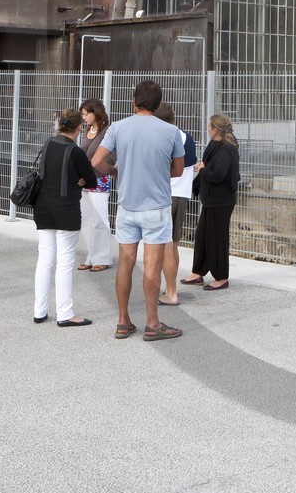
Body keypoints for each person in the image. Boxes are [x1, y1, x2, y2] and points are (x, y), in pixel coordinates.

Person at [91, 79, 184, 342]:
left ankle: (123, 321)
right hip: (156, 207)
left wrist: (115, 171)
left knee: (126, 264)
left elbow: (96, 161)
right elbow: (177, 170)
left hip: (127, 207)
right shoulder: (170, 131)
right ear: (158, 104)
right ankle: (152, 323)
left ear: (134, 101)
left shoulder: (118, 128)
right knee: (152, 266)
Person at [32, 108, 99, 327]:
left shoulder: (48, 144)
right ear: (80, 128)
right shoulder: (76, 151)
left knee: (45, 260)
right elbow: (91, 181)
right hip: (66, 210)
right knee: (65, 262)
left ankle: (39, 311)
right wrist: (79, 179)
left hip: (42, 207)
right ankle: (65, 313)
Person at [183, 112, 240, 291]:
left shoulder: (227, 149)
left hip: (221, 201)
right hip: (211, 200)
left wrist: (202, 170)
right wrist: (203, 170)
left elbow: (218, 175)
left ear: (215, 129)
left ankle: (221, 277)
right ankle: (198, 272)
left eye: (209, 126)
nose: (207, 129)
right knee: (202, 236)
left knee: (217, 239)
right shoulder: (215, 145)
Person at [152, 102, 200, 306]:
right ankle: (171, 287)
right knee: (174, 244)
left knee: (163, 246)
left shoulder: (159, 137)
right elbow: (191, 163)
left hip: (164, 195)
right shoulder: (185, 137)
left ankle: (170, 291)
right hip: (182, 195)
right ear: (173, 115)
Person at [75, 98, 114, 272]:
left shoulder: (108, 131)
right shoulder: (87, 131)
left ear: (95, 112)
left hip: (99, 180)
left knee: (99, 220)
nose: (83, 118)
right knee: (87, 220)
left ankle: (103, 257)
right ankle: (91, 256)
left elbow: (110, 158)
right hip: (85, 181)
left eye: (86, 114)